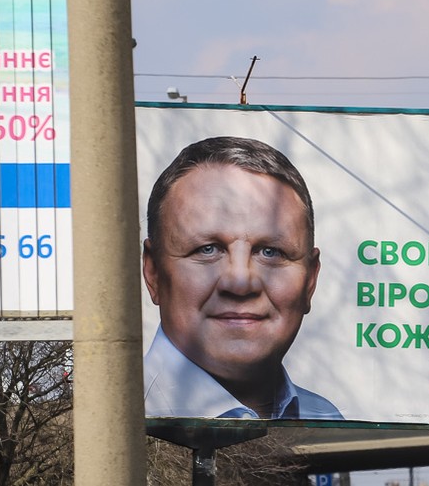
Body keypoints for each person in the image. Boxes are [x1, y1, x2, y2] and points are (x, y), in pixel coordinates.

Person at [142, 136, 342, 420]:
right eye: (208, 249)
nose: (240, 282)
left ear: (310, 280)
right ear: (153, 273)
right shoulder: (108, 421)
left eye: (271, 252)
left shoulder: (325, 418)